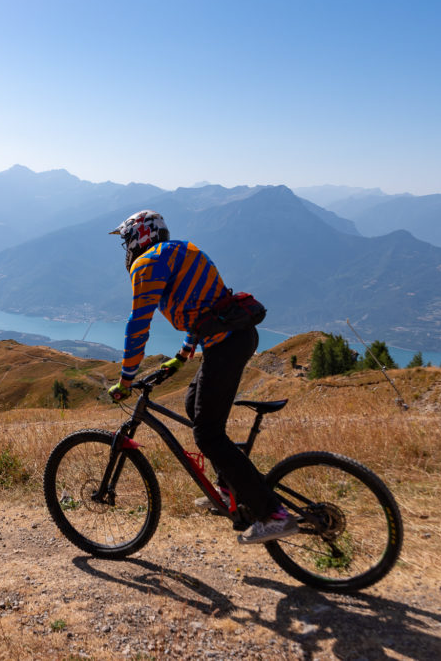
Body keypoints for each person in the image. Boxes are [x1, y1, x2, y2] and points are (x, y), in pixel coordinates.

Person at [107, 210, 298, 544]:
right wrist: (181, 357)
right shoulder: (182, 250)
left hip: (227, 345)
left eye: (127, 242)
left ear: (141, 237)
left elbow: (138, 324)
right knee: (193, 405)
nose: (127, 250)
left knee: (208, 435)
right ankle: (230, 490)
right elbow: (204, 308)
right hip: (234, 338)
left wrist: (126, 379)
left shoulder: (147, 264)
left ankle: (273, 514)